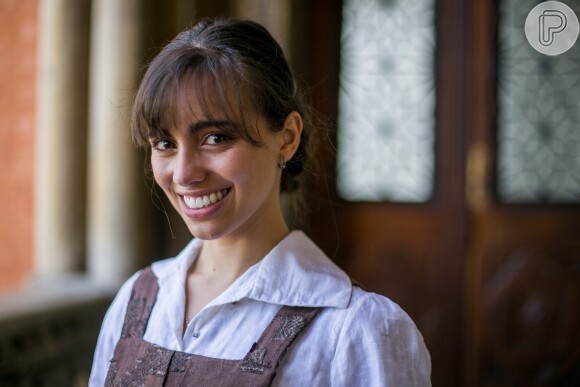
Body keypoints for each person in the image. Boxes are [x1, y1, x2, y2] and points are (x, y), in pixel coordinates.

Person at [89, 18, 431, 386]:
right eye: (165, 144)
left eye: (215, 137)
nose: (184, 174)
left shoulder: (357, 331)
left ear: (287, 137)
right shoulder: (137, 300)